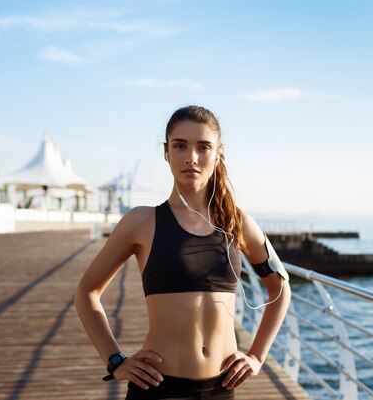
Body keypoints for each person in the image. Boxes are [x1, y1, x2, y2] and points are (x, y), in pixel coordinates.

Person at [74, 105, 292, 400]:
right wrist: (115, 361)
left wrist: (256, 357)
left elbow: (280, 287)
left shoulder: (236, 223)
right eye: (180, 146)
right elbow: (87, 292)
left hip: (222, 388)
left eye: (203, 147)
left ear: (218, 153)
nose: (191, 157)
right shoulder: (141, 221)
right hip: (159, 388)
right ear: (166, 152)